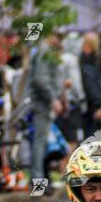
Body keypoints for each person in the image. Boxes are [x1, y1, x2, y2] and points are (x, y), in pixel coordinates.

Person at [27, 31, 64, 183]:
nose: (60, 40)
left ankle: (41, 178)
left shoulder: (44, 51)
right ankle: (38, 181)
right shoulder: (44, 51)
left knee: (42, 142)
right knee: (40, 142)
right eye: (58, 36)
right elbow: (40, 79)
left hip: (43, 102)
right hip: (42, 103)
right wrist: (53, 99)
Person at [79, 32, 101, 140]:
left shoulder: (89, 60)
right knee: (93, 139)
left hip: (90, 105)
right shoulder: (88, 62)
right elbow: (90, 85)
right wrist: (98, 106)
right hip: (92, 107)